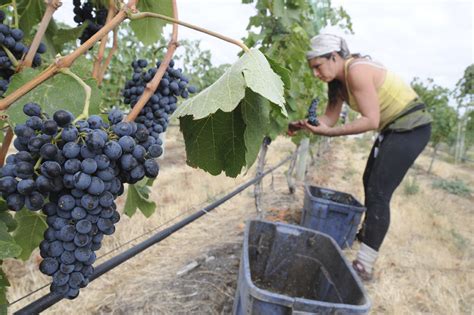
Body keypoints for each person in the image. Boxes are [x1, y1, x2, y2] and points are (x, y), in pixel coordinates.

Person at [289, 34, 432, 281]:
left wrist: (331, 133)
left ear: (334, 57)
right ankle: (367, 236)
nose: (315, 73)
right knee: (369, 180)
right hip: (393, 127)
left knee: (378, 191)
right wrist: (306, 124)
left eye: (318, 66)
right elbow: (329, 118)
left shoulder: (356, 69)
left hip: (411, 126)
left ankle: (365, 263)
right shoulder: (336, 82)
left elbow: (370, 120)